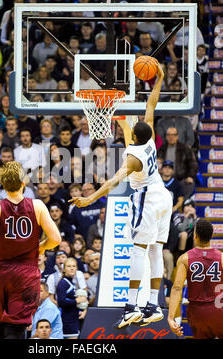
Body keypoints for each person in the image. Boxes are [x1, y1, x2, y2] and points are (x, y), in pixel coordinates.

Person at [70, 62, 173, 327]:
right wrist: (158, 78)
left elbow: (112, 183)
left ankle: (131, 307)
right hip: (164, 196)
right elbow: (151, 105)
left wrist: (89, 199)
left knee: (138, 252)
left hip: (147, 199)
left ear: (133, 137)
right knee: (156, 252)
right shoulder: (148, 139)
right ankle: (152, 305)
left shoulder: (132, 157)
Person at [0, 161, 61, 339]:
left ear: (3, 185)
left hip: (2, 272)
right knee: (16, 330)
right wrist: (41, 247)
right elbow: (56, 239)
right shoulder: (38, 206)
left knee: (0, 327)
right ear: (23, 183)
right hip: (26, 274)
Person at [168, 220, 223, 339]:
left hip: (197, 313)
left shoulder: (185, 258)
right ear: (212, 236)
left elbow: (177, 288)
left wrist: (171, 317)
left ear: (195, 236)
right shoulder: (221, 257)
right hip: (218, 310)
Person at [56, 257, 88, 339]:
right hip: (67, 321)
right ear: (64, 269)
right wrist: (77, 300)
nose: (72, 268)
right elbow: (61, 302)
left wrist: (80, 309)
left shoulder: (71, 282)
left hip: (73, 319)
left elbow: (70, 301)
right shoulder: (63, 283)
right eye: (69, 266)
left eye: (74, 266)